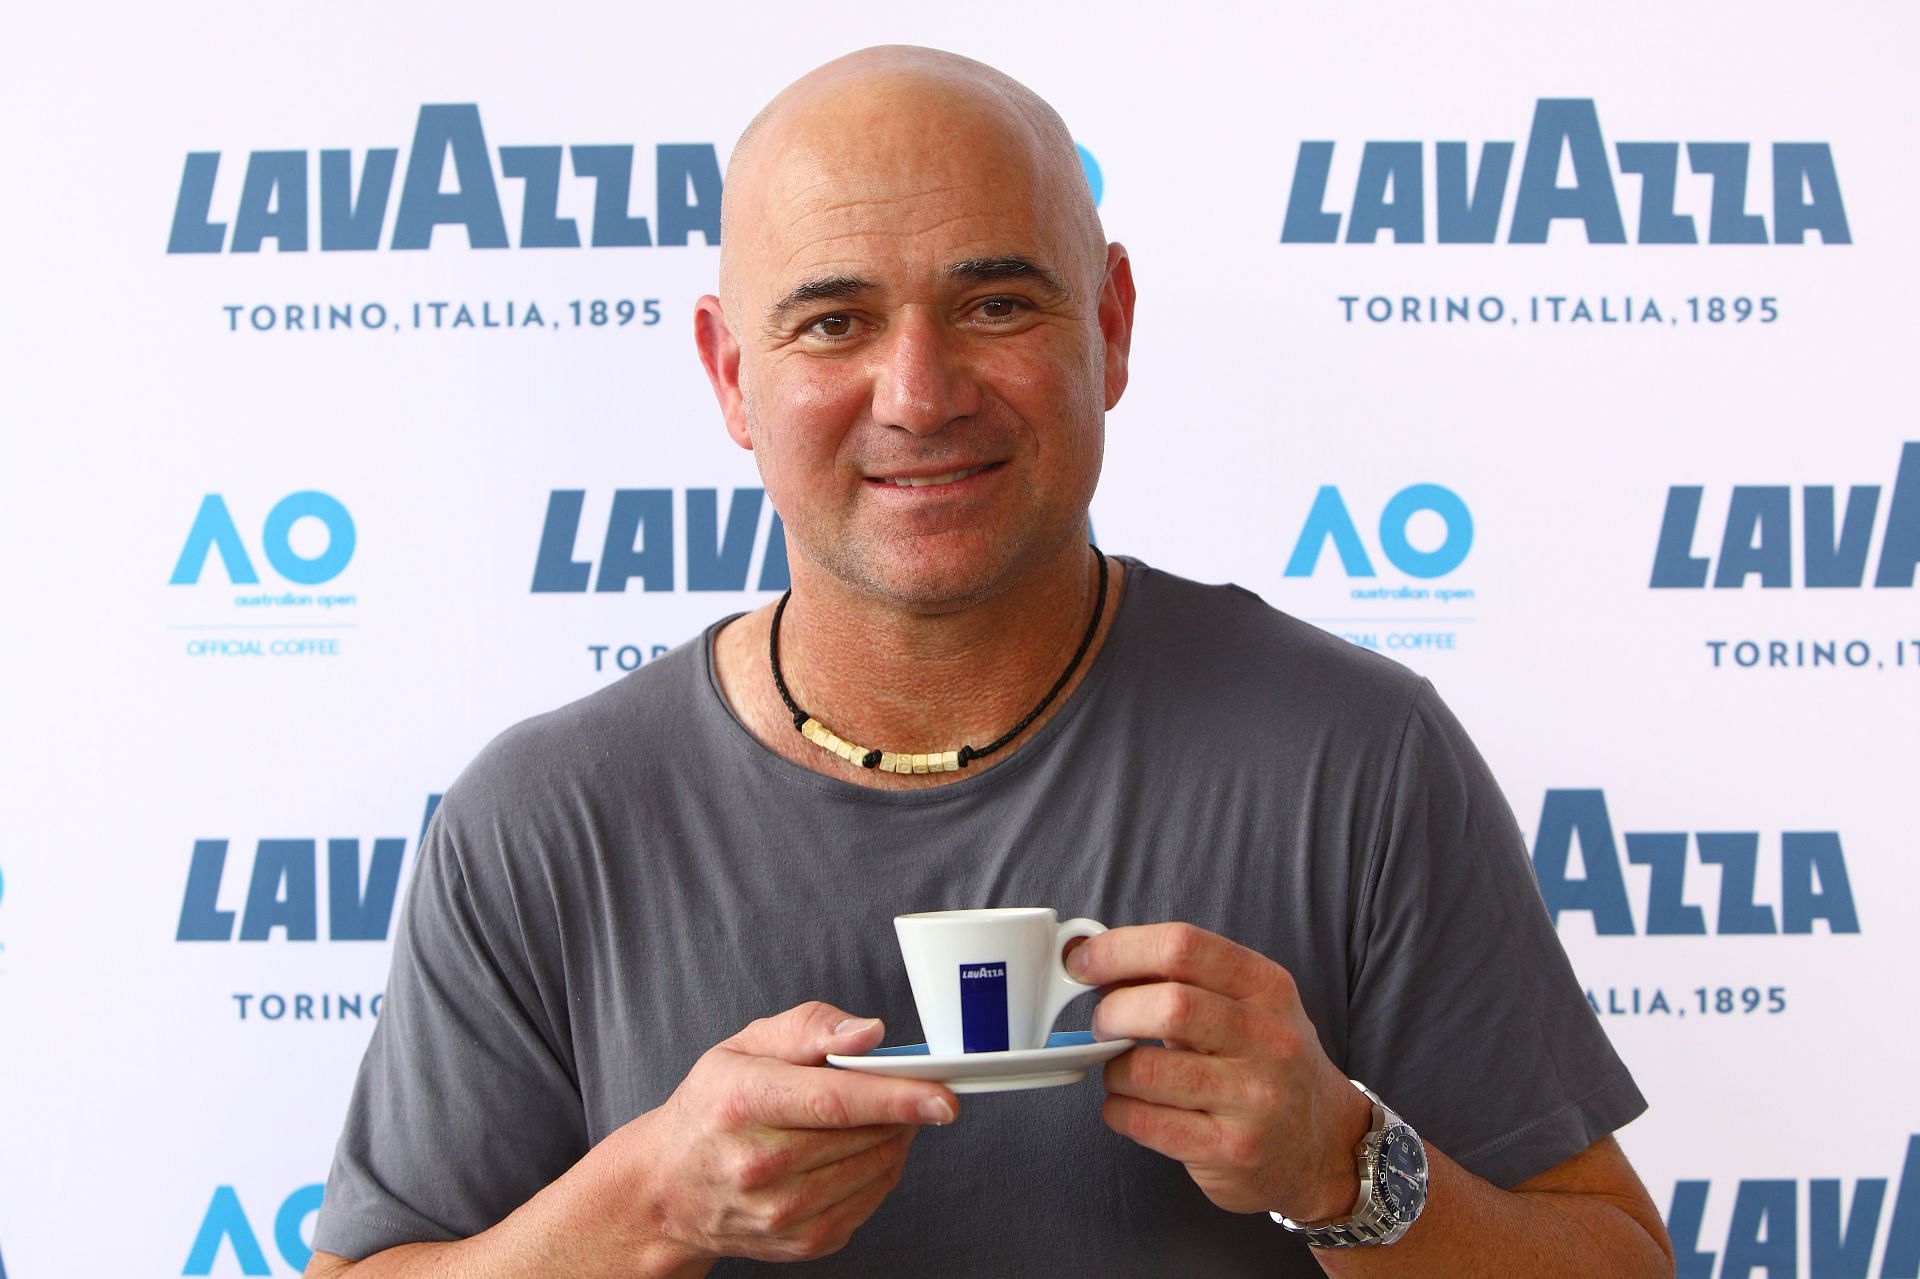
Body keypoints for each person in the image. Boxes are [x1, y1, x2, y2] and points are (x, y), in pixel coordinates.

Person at [306, 46, 1675, 1278]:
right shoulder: (547, 817)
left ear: (1112, 325)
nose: (920, 393)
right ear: (731, 377)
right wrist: (648, 1203)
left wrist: (1343, 1164)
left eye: (997, 304)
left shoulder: (1351, 753)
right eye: (834, 321)